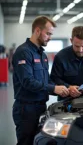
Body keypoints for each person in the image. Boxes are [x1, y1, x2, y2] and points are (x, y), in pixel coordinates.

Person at [12, 16, 69, 145]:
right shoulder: (23, 52)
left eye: (51, 34)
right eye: (48, 33)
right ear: (37, 31)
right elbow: (27, 81)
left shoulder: (42, 55)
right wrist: (54, 88)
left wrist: (64, 89)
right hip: (26, 109)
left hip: (41, 107)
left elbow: (46, 80)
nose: (50, 37)